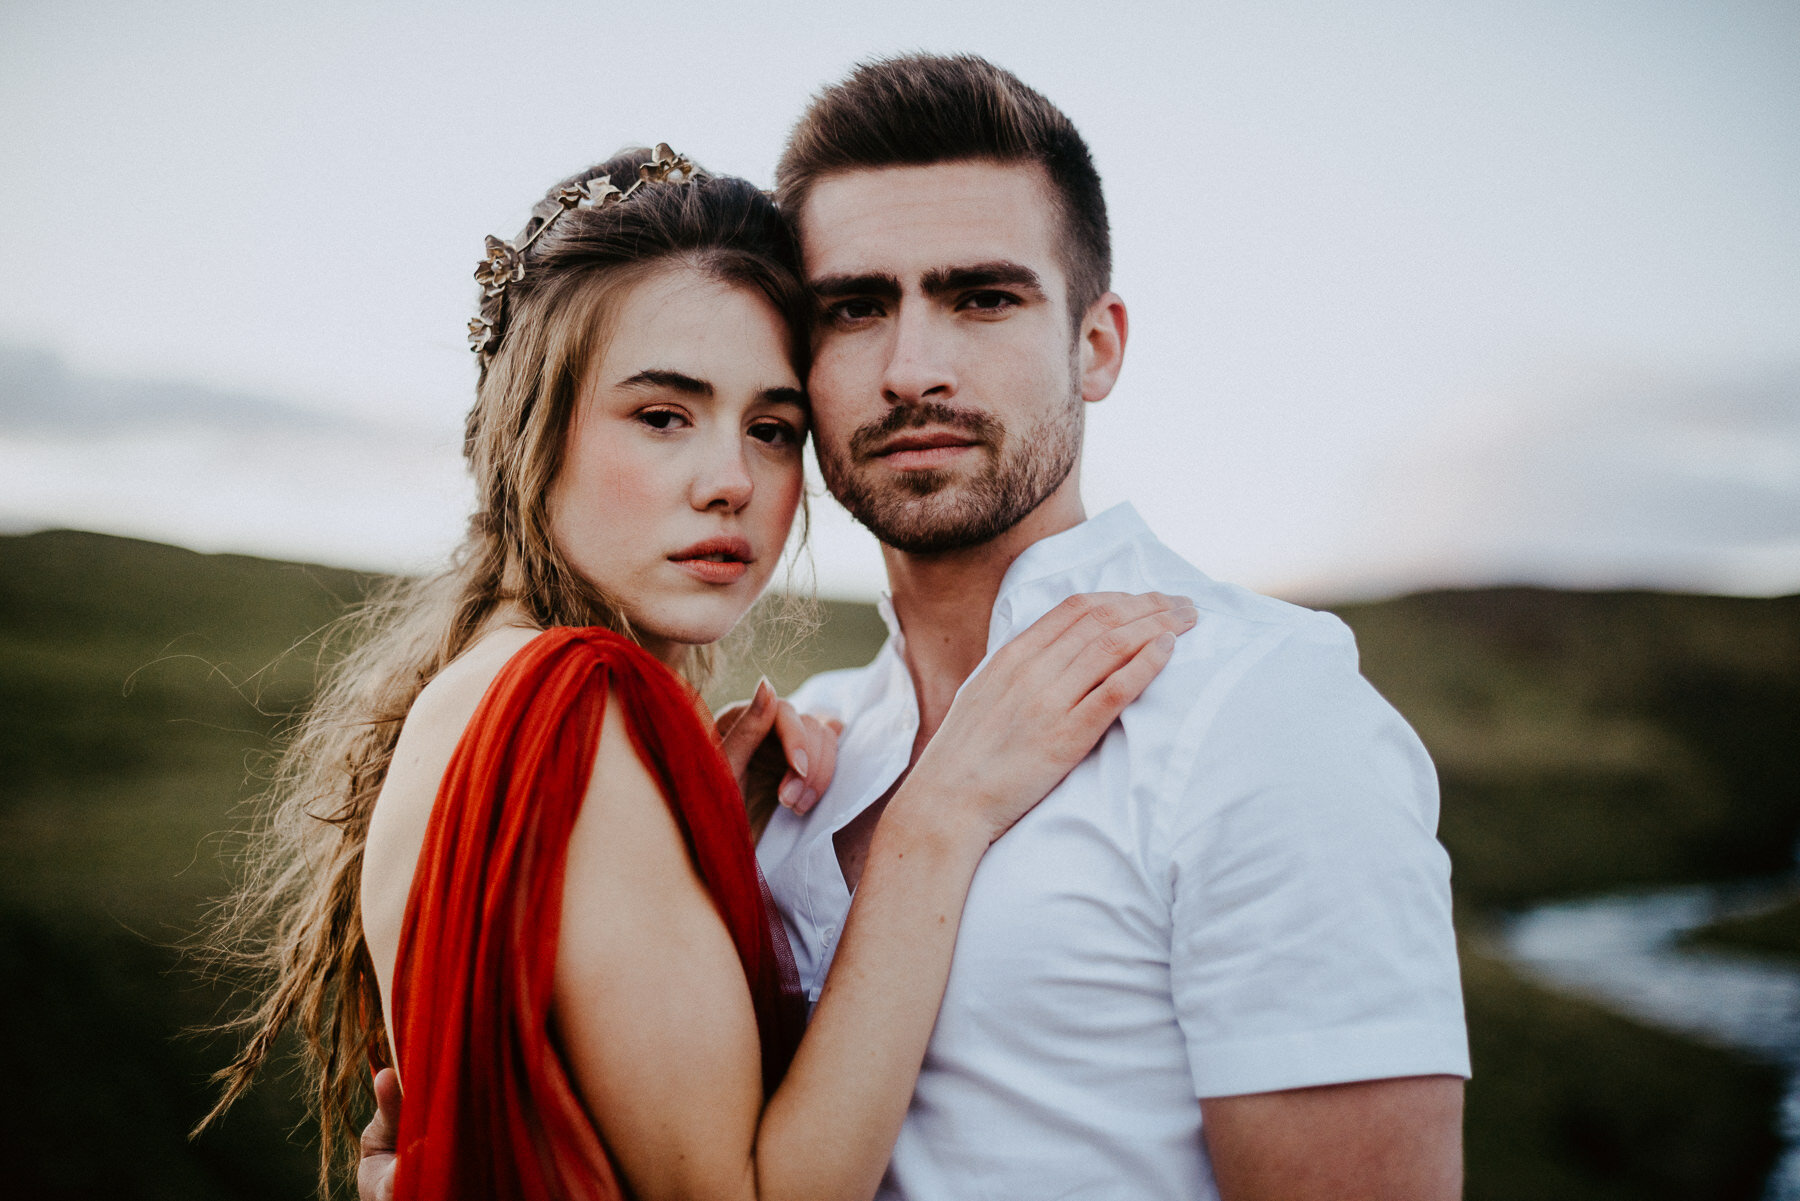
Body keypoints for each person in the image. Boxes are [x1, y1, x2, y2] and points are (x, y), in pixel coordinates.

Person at [362, 55, 1471, 1201]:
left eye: (984, 297)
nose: (912, 369)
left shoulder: (1261, 712)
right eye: (853, 308)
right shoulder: (808, 755)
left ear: (1097, 343)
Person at [197, 143, 1196, 1200]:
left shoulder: (485, 692)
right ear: (529, 428)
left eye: (771, 430)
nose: (730, 482)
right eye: (663, 415)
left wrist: (713, 829)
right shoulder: (568, 703)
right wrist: (937, 815)